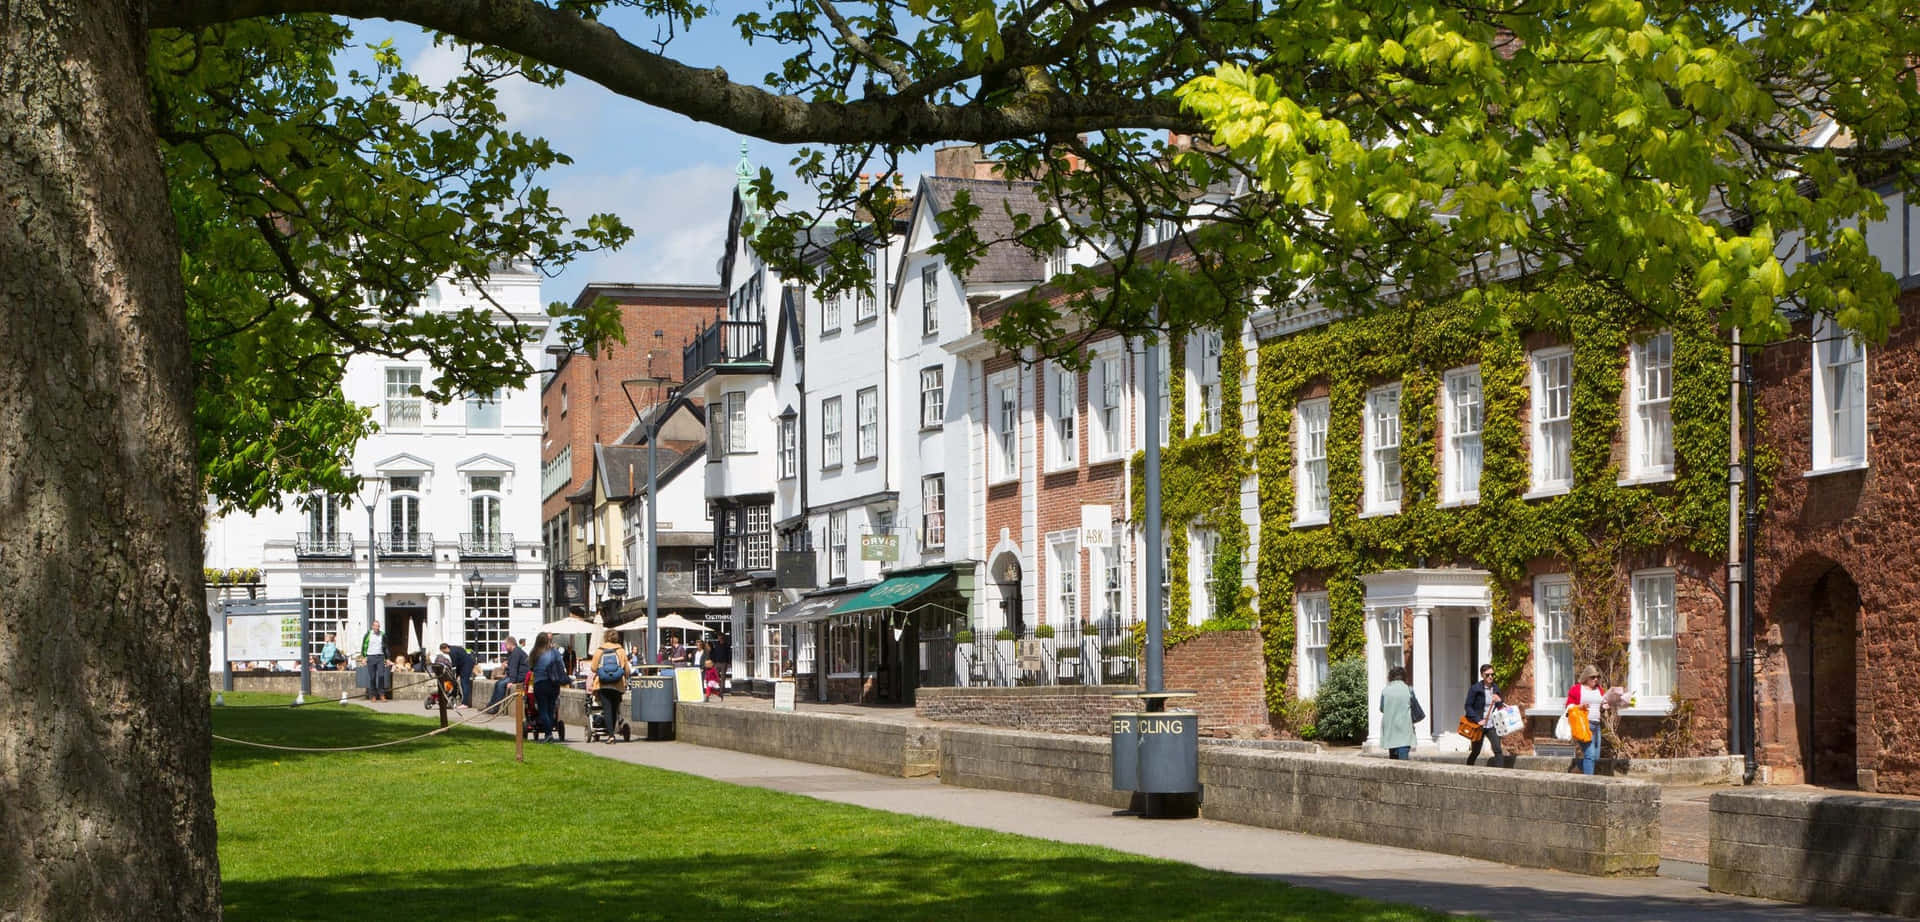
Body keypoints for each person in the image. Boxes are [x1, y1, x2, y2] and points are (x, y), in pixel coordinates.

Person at [587, 629, 630, 744]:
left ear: (605, 637)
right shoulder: (621, 650)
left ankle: (611, 735)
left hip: (603, 683)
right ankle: (612, 732)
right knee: (615, 709)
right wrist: (625, 676)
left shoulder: (600, 650)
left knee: (607, 709)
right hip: (617, 684)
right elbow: (627, 669)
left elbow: (593, 668)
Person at [1567, 664, 1608, 774]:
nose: (1596, 679)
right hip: (1584, 724)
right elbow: (1569, 707)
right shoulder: (1577, 689)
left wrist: (1604, 707)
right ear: (1586, 678)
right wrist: (1580, 706)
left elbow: (1601, 707)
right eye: (1593, 677)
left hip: (1596, 724)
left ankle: (1579, 767)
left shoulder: (1599, 690)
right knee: (1590, 755)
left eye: (1597, 677)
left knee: (1596, 756)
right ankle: (1589, 784)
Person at [1463, 663, 1505, 767]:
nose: (1490, 677)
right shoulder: (1475, 689)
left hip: (1492, 725)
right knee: (1476, 751)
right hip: (1479, 725)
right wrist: (1478, 720)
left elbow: (1500, 707)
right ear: (1482, 675)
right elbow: (1468, 706)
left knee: (1498, 749)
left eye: (1492, 674)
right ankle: (1467, 769)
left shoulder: (1495, 688)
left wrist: (1499, 700)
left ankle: (1501, 774)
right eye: (1487, 675)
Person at [1379, 666, 1418, 760]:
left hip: (1390, 731)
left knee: (1393, 763)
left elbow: (1382, 708)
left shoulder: (1385, 691)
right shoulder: (1409, 690)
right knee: (1403, 765)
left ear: (1390, 677)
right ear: (1404, 677)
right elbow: (1415, 708)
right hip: (1404, 732)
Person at [489, 636, 529, 710]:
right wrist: (507, 666)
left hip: (520, 676)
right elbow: (512, 666)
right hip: (517, 674)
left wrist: (512, 681)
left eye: (506, 645)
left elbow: (514, 667)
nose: (505, 647)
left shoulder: (516, 653)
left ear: (510, 644)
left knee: (501, 684)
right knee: (497, 683)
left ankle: (495, 708)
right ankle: (490, 705)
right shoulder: (514, 652)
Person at [439, 642, 475, 708]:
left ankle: (465, 703)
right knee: (464, 682)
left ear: (445, 648)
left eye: (443, 652)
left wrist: (455, 675)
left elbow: (454, 665)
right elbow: (458, 663)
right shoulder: (454, 648)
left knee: (464, 683)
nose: (444, 653)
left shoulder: (452, 652)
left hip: (466, 665)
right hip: (466, 664)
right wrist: (457, 675)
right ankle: (465, 702)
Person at [360, 621, 389, 701]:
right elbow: (364, 646)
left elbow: (386, 647)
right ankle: (373, 695)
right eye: (376, 626)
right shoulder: (368, 635)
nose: (377, 628)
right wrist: (364, 657)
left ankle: (382, 694)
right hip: (370, 656)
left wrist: (387, 658)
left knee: (381, 675)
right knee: (372, 677)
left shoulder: (382, 635)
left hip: (380, 656)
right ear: (372, 626)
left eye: (378, 626)